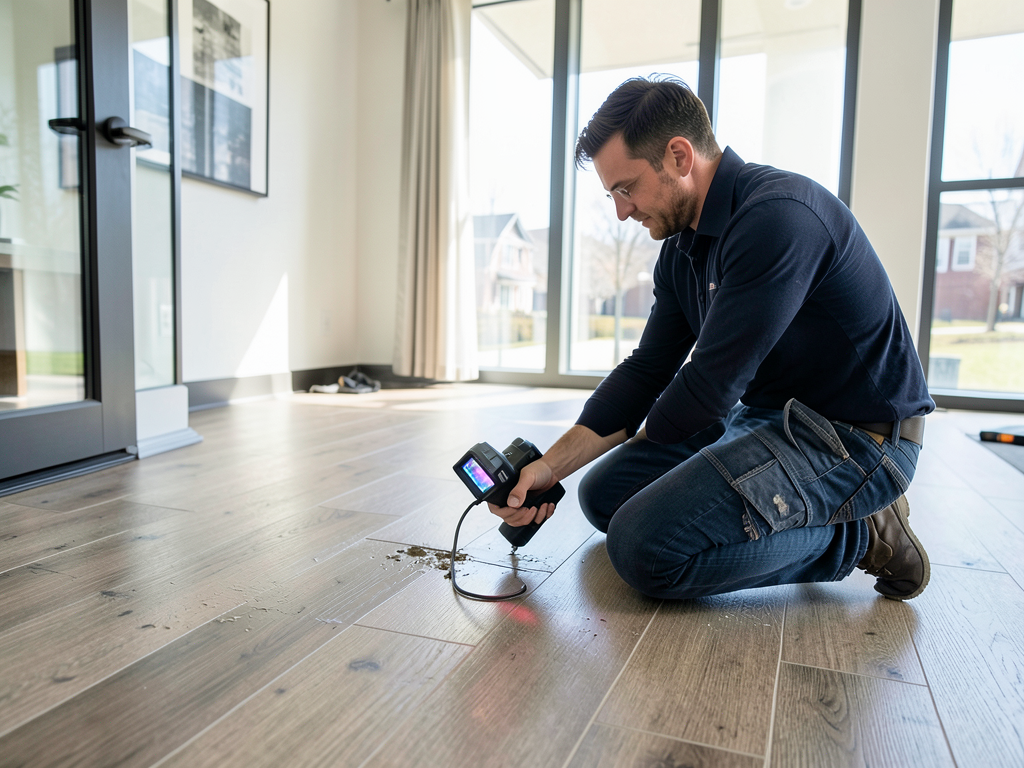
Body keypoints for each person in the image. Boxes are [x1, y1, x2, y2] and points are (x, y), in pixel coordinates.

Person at [488, 75, 935, 601]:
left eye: (626, 188)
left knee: (642, 547)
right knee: (602, 495)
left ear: (679, 156)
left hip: (857, 441)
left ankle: (859, 535)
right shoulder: (682, 249)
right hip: (764, 417)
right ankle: (794, 508)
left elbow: (708, 387)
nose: (622, 211)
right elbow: (647, 370)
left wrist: (659, 458)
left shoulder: (778, 216)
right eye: (613, 195)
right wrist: (548, 468)